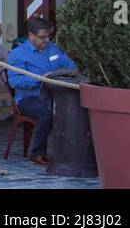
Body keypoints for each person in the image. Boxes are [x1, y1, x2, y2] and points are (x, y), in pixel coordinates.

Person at [6, 17, 78, 166]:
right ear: (31, 35)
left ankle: (71, 153)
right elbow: (14, 82)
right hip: (28, 98)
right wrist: (40, 79)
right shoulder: (18, 54)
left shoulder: (52, 48)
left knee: (76, 109)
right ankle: (37, 153)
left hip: (55, 95)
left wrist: (60, 73)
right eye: (42, 37)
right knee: (46, 112)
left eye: (48, 36)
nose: (46, 40)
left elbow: (71, 65)